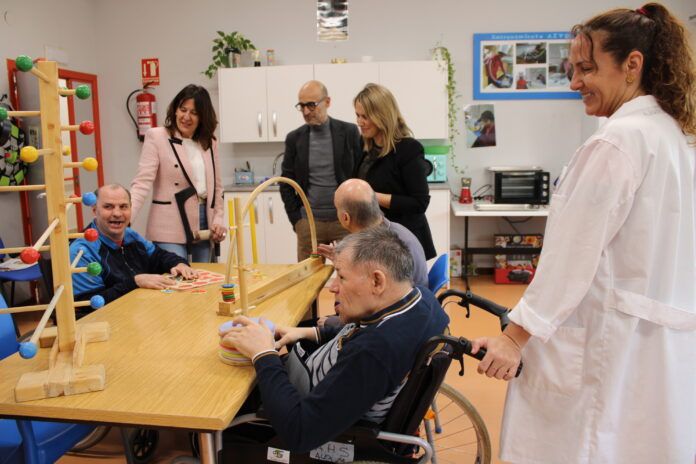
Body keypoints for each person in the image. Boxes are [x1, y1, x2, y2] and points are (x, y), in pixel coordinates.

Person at [471, 4, 696, 463]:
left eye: (587, 69)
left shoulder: (617, 141)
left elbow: (570, 258)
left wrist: (514, 338)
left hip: (600, 338)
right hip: (645, 343)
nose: (574, 83)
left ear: (633, 65)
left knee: (585, 444)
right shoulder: (670, 136)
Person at [220, 227, 449, 452]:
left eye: (341, 276)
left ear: (377, 281)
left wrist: (263, 354)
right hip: (316, 387)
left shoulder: (373, 352)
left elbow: (299, 432)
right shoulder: (420, 300)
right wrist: (306, 332)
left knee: (217, 414)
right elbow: (356, 331)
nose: (333, 287)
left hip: (298, 423)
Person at [130, 84, 225, 263]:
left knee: (203, 278)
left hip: (204, 220)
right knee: (177, 276)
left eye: (194, 113)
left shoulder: (210, 142)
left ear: (203, 117)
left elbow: (217, 187)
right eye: (183, 109)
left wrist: (218, 219)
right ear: (175, 110)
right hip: (169, 221)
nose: (186, 117)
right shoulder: (157, 136)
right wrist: (125, 219)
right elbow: (142, 182)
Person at [70, 184, 198, 314]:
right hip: (104, 322)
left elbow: (159, 256)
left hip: (139, 312)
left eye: (123, 207)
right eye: (108, 207)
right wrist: (135, 282)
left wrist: (179, 264)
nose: (117, 213)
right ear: (94, 210)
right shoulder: (81, 250)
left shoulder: (131, 235)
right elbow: (87, 304)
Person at [280, 80, 363, 261]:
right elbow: (285, 182)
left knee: (351, 276)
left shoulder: (349, 132)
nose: (306, 111)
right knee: (308, 281)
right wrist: (297, 220)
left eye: (311, 105)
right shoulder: (294, 139)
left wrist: (356, 215)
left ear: (327, 102)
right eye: (301, 106)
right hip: (309, 223)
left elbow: (361, 175)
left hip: (345, 221)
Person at [353, 83, 436, 260]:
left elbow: (419, 203)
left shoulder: (408, 149)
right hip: (377, 237)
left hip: (404, 242)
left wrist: (371, 197)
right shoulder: (364, 146)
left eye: (365, 116)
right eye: (357, 115)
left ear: (381, 116)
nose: (359, 122)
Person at [318, 178, 428, 288]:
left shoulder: (386, 246)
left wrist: (343, 266)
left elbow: (370, 292)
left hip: (407, 302)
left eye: (337, 208)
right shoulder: (390, 231)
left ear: (345, 218)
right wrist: (342, 260)